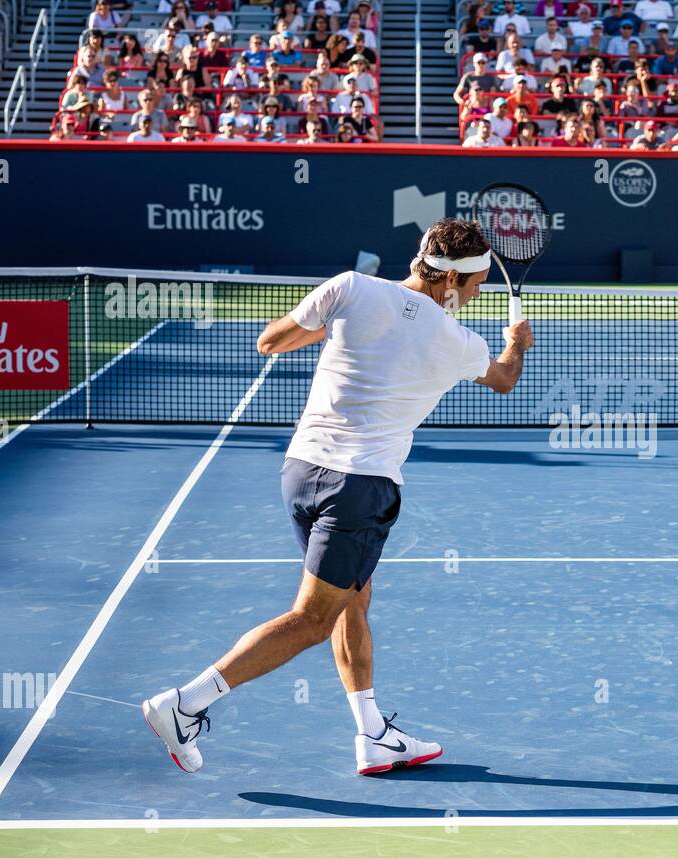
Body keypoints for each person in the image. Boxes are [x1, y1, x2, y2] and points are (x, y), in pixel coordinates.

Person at [141, 219, 535, 777]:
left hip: (301, 472)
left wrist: (344, 330)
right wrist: (515, 344)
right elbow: (504, 380)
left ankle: (373, 734)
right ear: (450, 276)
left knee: (354, 598)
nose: (473, 298)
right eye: (472, 287)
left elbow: (270, 341)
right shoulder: (460, 343)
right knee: (312, 618)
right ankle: (184, 704)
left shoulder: (351, 287)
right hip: (360, 487)